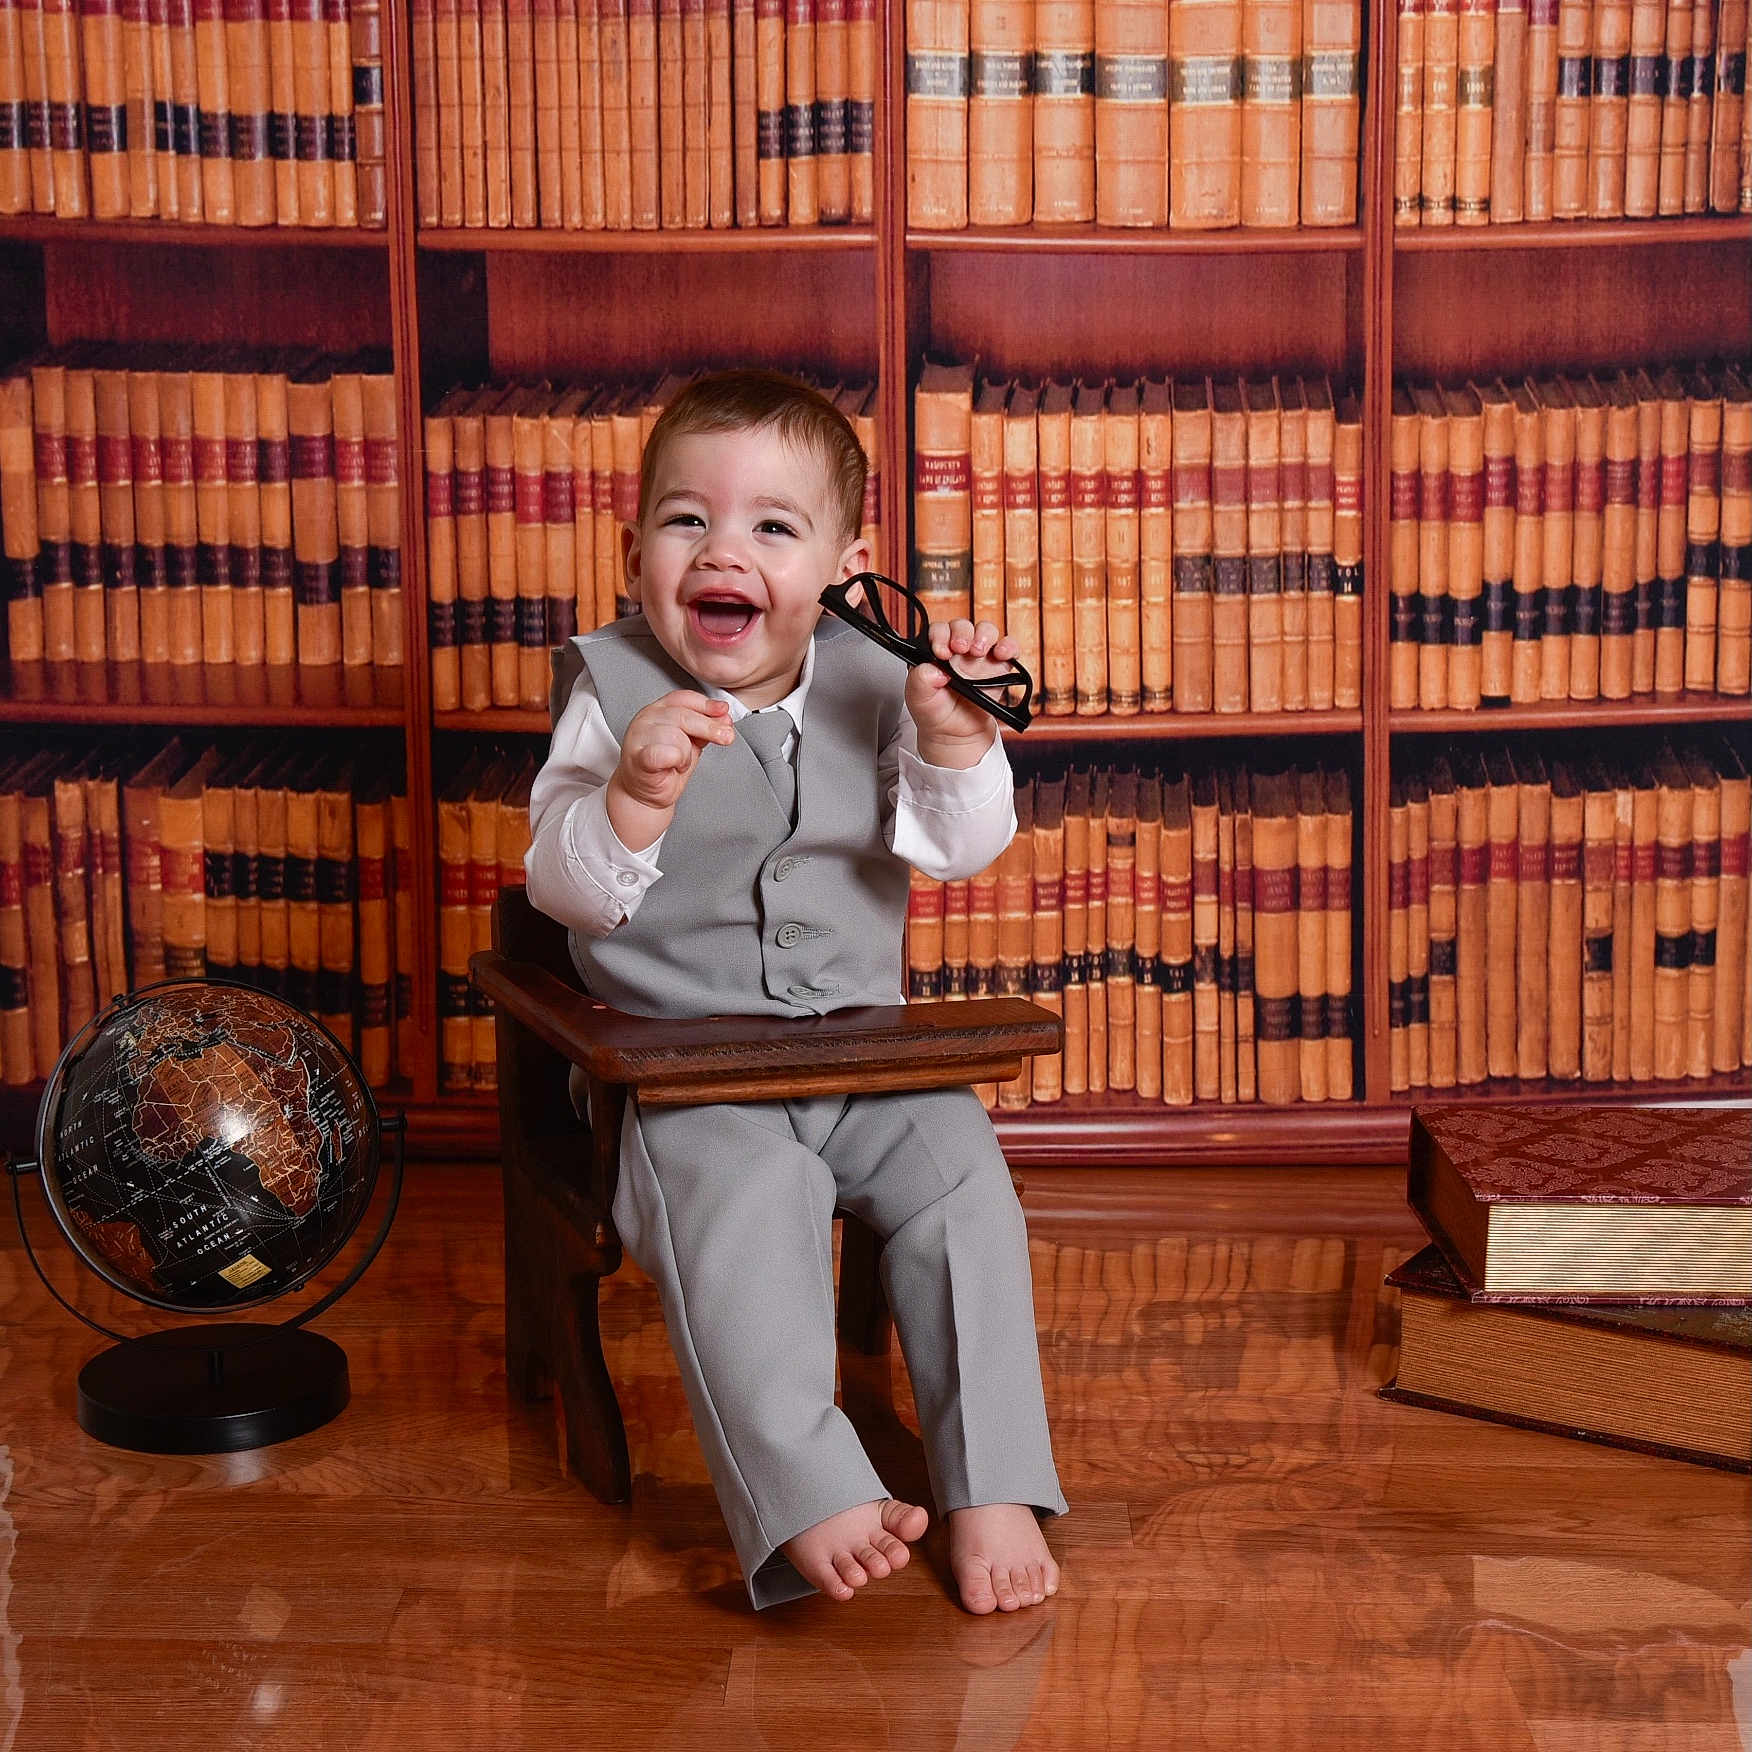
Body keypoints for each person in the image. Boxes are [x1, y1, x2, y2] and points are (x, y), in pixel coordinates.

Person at [524, 368, 1066, 1614]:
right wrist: (634, 800)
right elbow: (563, 883)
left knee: (962, 1182)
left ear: (840, 565)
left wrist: (954, 743)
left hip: (868, 1061)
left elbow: (952, 845)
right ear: (634, 550)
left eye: (773, 526)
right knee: (746, 1216)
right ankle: (807, 1484)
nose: (725, 550)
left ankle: (991, 1478)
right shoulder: (612, 697)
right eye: (685, 520)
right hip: (681, 1080)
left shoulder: (884, 678)